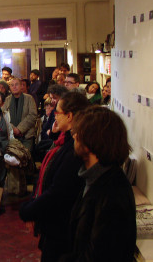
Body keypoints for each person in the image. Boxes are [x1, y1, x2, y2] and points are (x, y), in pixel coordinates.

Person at [20, 92, 90, 262]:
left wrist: (30, 210)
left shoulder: (75, 149)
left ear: (70, 115)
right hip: (55, 227)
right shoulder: (66, 141)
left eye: (57, 112)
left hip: (62, 230)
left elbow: (58, 191)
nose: (53, 116)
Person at [60, 106, 136, 261]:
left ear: (90, 142)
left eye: (77, 133)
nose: (73, 136)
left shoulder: (113, 193)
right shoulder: (92, 177)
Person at [2, 77, 37, 195]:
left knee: (24, 160)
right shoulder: (7, 100)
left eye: (17, 84)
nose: (15, 87)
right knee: (13, 162)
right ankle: (14, 189)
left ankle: (24, 189)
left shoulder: (29, 98)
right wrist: (13, 129)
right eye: (12, 85)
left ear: (22, 86)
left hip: (26, 135)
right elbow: (4, 116)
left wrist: (20, 129)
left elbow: (32, 115)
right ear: (10, 87)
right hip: (12, 136)